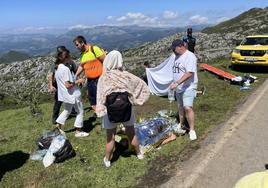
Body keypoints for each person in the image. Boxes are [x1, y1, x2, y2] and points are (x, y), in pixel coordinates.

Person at [96, 50, 150, 168]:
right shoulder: (126, 75)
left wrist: (100, 109)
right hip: (126, 109)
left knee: (110, 137)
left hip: (110, 111)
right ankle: (139, 153)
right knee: (131, 133)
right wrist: (135, 99)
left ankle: (107, 160)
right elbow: (141, 85)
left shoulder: (104, 77)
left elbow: (100, 96)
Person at [54, 48, 89, 138]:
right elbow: (68, 85)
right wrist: (79, 81)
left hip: (65, 95)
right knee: (80, 111)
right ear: (66, 58)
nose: (70, 58)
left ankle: (58, 127)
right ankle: (78, 131)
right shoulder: (65, 69)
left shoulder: (57, 68)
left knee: (67, 110)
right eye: (69, 56)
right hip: (73, 94)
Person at [169, 39, 198, 141]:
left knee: (187, 108)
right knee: (180, 107)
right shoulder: (176, 56)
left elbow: (189, 73)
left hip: (188, 86)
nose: (173, 51)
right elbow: (177, 71)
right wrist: (174, 82)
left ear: (181, 46)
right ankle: (181, 124)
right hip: (179, 88)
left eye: (174, 48)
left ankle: (192, 130)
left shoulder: (190, 56)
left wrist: (177, 83)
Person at [73, 36, 106, 113]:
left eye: (77, 45)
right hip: (90, 80)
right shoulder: (83, 54)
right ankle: (98, 112)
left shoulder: (94, 49)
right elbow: (82, 66)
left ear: (82, 43)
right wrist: (76, 75)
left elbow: (105, 60)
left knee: (101, 96)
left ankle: (104, 112)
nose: (76, 47)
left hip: (99, 78)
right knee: (92, 97)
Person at [48, 46, 77, 124]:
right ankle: (55, 118)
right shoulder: (55, 64)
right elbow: (51, 75)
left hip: (68, 84)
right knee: (58, 101)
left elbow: (76, 72)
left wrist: (77, 80)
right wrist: (51, 86)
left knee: (71, 98)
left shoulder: (70, 62)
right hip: (58, 85)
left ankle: (73, 112)